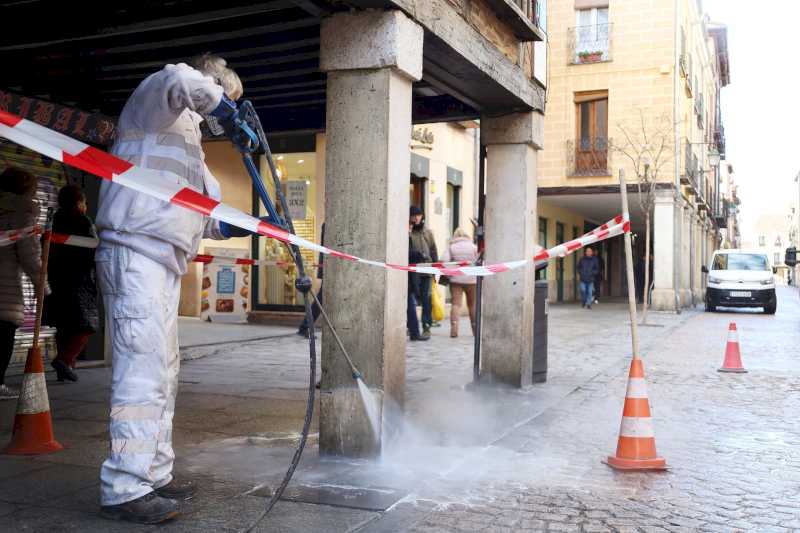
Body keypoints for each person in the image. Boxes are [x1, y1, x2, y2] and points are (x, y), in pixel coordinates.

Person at [95, 55, 246, 524]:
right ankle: (124, 486)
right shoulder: (156, 102)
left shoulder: (191, 148)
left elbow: (205, 219)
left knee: (163, 374)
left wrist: (248, 226)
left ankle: (153, 475)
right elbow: (179, 80)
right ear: (211, 85)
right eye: (227, 102)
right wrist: (223, 106)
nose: (224, 119)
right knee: (140, 373)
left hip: (162, 261)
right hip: (135, 252)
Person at [43, 185, 98, 382]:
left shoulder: (54, 219)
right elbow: (93, 248)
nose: (85, 206)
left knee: (64, 326)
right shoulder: (83, 221)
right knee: (86, 325)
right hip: (80, 281)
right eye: (84, 202)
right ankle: (64, 361)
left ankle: (64, 369)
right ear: (78, 203)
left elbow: (45, 246)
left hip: (56, 278)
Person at [0, 167, 47, 400]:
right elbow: (29, 255)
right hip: (5, 287)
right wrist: (43, 286)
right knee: (3, 335)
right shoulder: (23, 213)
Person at [442, 228, 478, 338]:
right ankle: (475, 330)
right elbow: (478, 260)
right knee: (472, 305)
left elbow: (444, 261)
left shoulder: (451, 247)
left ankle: (454, 330)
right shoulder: (473, 247)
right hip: (471, 280)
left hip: (456, 279)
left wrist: (449, 274)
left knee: (456, 304)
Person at [409, 206, 438, 339]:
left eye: (418, 215)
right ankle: (411, 326)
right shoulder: (409, 232)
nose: (416, 218)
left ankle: (426, 326)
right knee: (412, 299)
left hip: (426, 270)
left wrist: (436, 268)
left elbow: (433, 250)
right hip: (413, 271)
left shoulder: (427, 232)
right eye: (414, 215)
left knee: (426, 299)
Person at [297, 223, 324, 338]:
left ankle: (305, 326)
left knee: (321, 299)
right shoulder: (328, 223)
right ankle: (305, 326)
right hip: (330, 266)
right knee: (321, 299)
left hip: (330, 266)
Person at [407, 222, 429, 342]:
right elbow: (406, 253)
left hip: (410, 276)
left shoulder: (412, 236)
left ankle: (414, 331)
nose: (410, 228)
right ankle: (414, 332)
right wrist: (420, 255)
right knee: (410, 305)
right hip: (406, 276)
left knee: (411, 305)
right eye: (409, 225)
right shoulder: (405, 237)